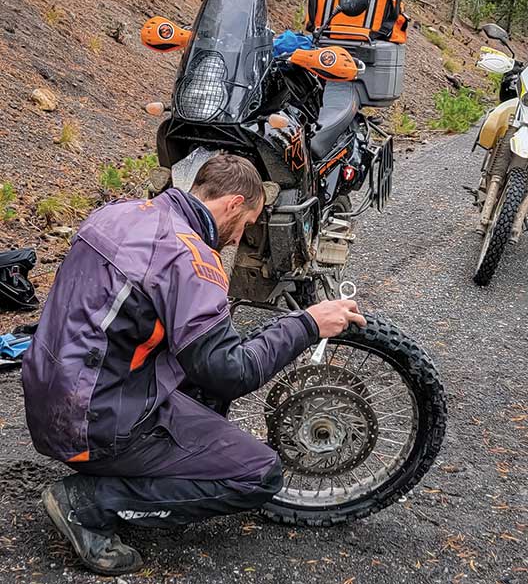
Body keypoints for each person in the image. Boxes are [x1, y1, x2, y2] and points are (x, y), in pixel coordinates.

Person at [21, 155, 366, 575]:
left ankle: (144, 473)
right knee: (258, 474)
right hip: (93, 425)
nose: (241, 236)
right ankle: (90, 505)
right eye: (247, 224)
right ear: (234, 204)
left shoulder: (118, 214)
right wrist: (307, 324)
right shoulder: (191, 258)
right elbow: (230, 373)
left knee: (195, 377)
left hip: (50, 396)